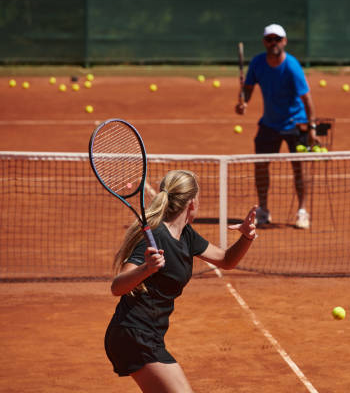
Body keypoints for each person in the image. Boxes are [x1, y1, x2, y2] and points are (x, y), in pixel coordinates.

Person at [104, 169, 257, 393]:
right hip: (134, 334)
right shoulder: (157, 235)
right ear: (192, 203)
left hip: (148, 334)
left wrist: (246, 237)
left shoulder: (186, 234)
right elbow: (117, 287)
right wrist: (146, 268)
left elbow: (225, 260)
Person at [235, 23, 319, 229]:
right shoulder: (257, 63)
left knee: (299, 168)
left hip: (295, 123)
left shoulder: (292, 66)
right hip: (269, 124)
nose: (274, 43)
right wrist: (242, 101)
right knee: (261, 166)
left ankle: (302, 211)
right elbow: (247, 89)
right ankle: (263, 209)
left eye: (277, 39)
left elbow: (307, 99)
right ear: (265, 42)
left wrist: (312, 128)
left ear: (284, 41)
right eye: (269, 39)